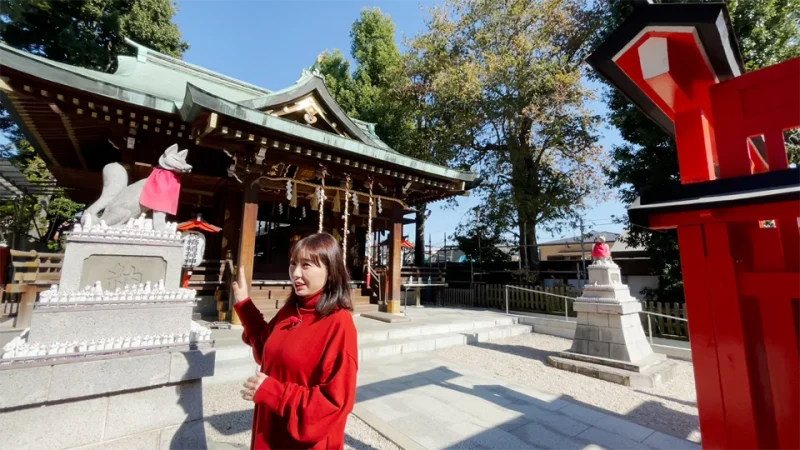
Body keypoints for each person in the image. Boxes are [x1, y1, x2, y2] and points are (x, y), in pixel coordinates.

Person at [232, 232, 358, 450]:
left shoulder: (339, 324)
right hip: (270, 430)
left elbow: (335, 403)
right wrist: (244, 304)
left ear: (330, 270)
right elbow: (267, 351)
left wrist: (274, 393)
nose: (296, 274)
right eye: (293, 264)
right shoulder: (292, 310)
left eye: (306, 265)